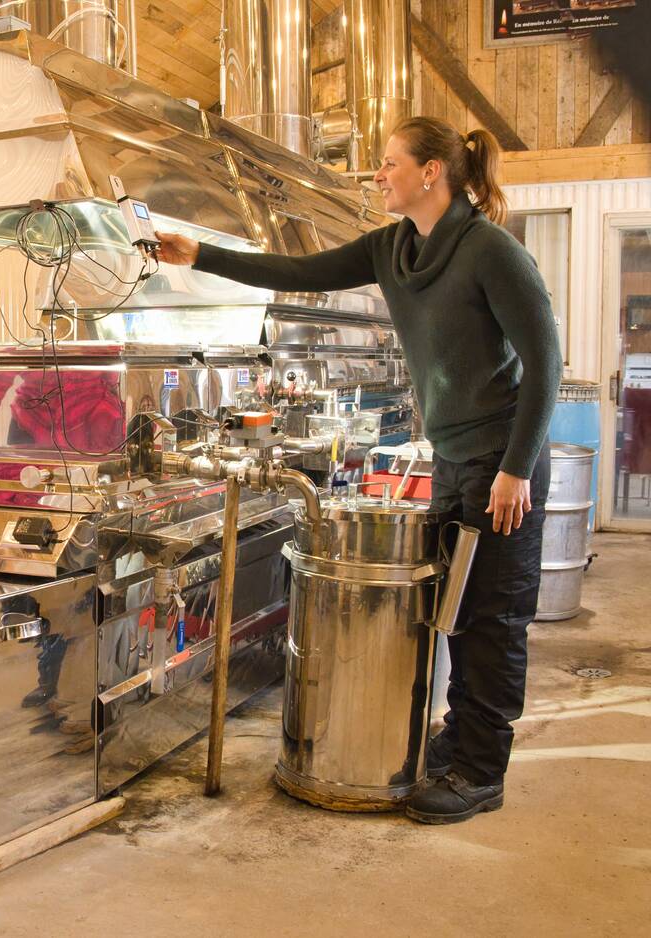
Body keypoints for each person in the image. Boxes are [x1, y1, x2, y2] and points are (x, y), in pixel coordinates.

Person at [155, 117, 562, 824]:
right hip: (456, 460)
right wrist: (201, 255)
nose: (378, 175)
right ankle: (460, 739)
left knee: (494, 617)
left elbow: (547, 363)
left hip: (504, 464)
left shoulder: (490, 251)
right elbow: (298, 274)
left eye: (388, 163)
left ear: (431, 172)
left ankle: (479, 771)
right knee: (456, 614)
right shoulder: (393, 249)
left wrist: (517, 468)